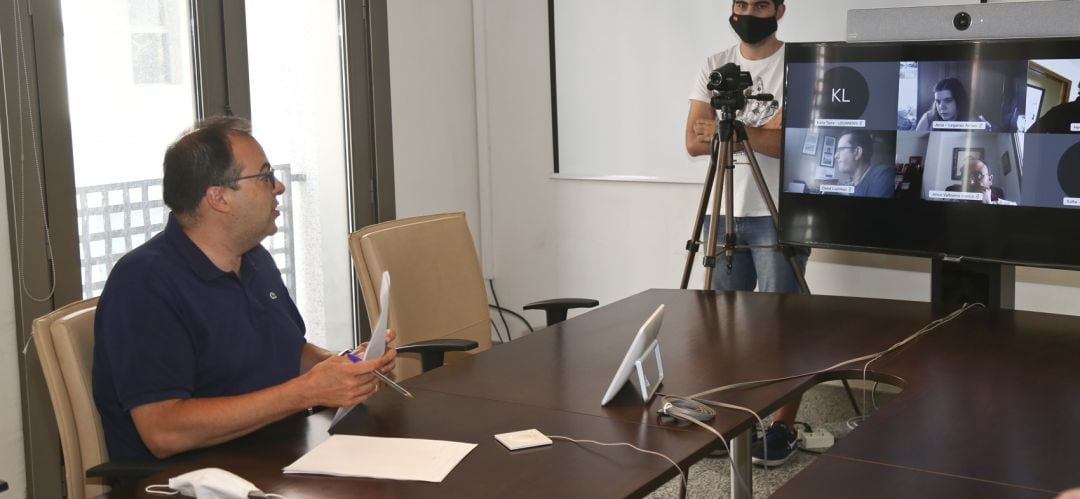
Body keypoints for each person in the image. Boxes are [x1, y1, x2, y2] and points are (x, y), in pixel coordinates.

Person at [93, 117, 397, 460]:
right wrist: (305, 393)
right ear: (219, 197)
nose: (279, 186)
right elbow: (163, 431)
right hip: (192, 481)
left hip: (281, 452)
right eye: (265, 176)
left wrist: (346, 367)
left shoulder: (253, 259)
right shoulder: (144, 284)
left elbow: (290, 351)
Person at [684, 0, 805, 468]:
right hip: (724, 209)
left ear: (779, 9)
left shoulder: (797, 64)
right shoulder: (715, 65)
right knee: (716, 327)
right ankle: (726, 421)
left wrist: (731, 128)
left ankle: (781, 428)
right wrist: (762, 130)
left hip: (778, 212)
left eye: (759, 4)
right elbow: (694, 141)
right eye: (740, 3)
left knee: (783, 327)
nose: (747, 11)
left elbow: (794, 141)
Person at [914, 77, 991, 132]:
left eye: (948, 100)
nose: (941, 107)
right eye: (938, 101)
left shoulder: (974, 123)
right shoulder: (928, 118)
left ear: (959, 100)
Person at [834, 130, 895, 198]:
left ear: (857, 153)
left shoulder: (883, 175)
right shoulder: (853, 185)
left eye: (841, 149)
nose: (835, 156)